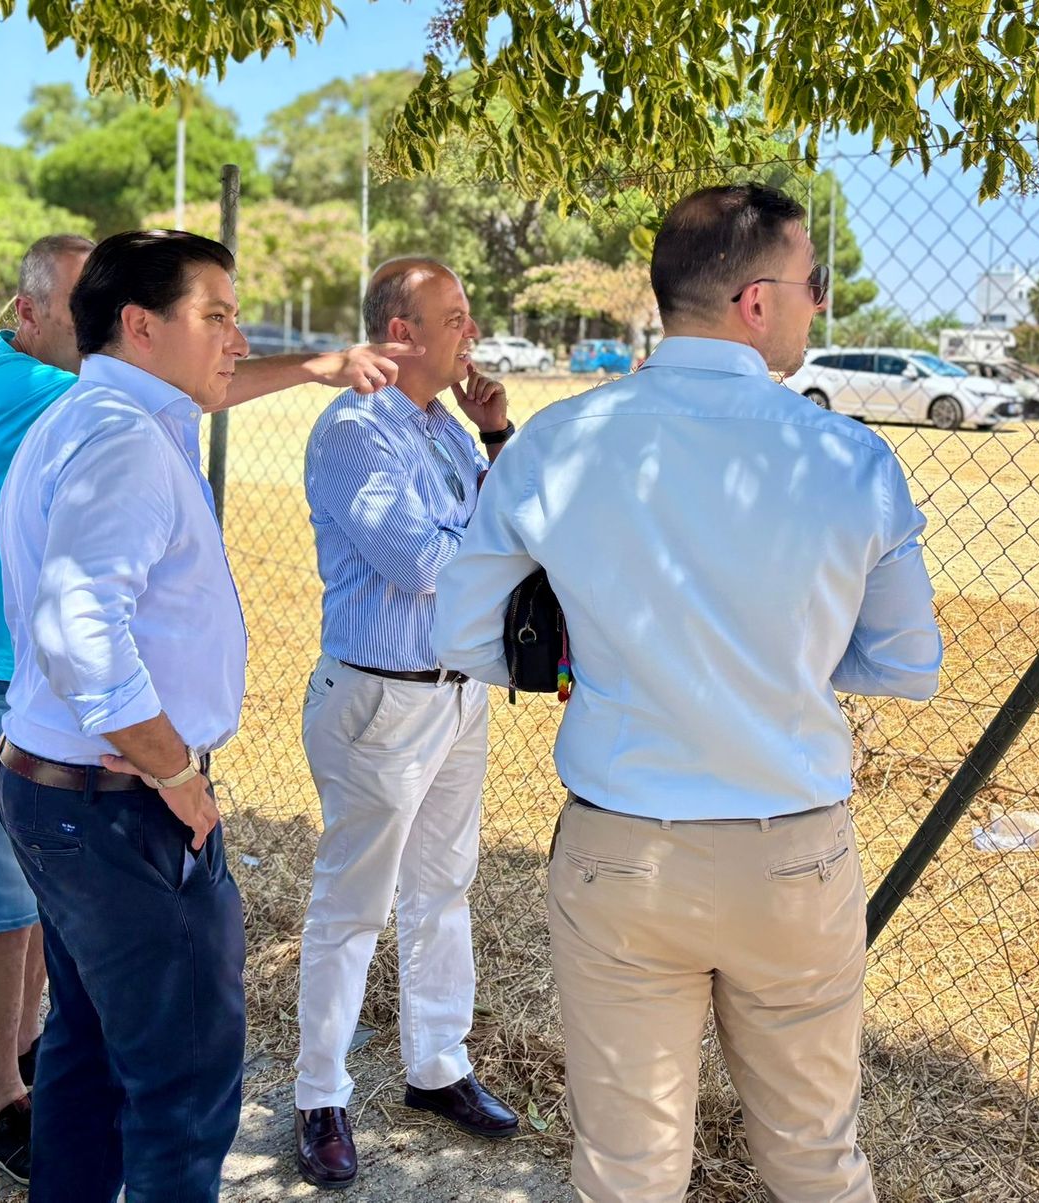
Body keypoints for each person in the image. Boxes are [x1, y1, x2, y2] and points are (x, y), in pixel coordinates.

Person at [430, 184, 944, 1202]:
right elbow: (904, 663)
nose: (818, 306)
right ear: (757, 302)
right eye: (813, 285)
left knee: (626, 1167)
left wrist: (604, 660)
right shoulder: (847, 455)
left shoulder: (558, 441)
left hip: (625, 851)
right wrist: (778, 658)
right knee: (815, 1155)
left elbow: (466, 634)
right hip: (791, 854)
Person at [0, 233, 422, 1185]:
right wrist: (175, 774)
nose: (238, 339)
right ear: (139, 326)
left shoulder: (113, 417)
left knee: (84, 1057)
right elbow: (84, 626)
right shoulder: (120, 438)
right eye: (216, 315)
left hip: (76, 788)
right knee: (183, 1085)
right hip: (120, 799)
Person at [292, 257, 520, 1190]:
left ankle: (437, 1065)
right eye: (455, 317)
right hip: (384, 697)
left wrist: (498, 436)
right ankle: (318, 1094)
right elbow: (426, 563)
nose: (472, 332)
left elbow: (515, 528)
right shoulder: (355, 429)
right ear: (401, 332)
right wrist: (497, 538)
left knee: (443, 888)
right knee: (355, 904)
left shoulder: (448, 431)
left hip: (458, 691)